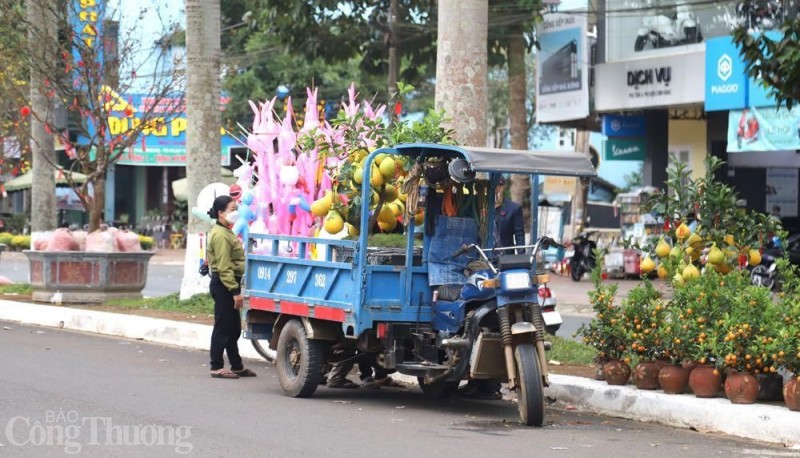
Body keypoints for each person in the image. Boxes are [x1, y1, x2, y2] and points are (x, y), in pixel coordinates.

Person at [206, 195, 256, 379]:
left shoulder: (226, 231)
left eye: (236, 208)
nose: (235, 212)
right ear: (220, 213)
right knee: (222, 327)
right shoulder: (220, 235)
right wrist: (235, 292)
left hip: (229, 283)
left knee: (233, 328)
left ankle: (236, 365)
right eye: (232, 209)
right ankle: (216, 366)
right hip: (224, 285)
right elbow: (224, 266)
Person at [494, 176, 525, 250]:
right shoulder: (482, 206)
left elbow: (519, 235)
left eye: (497, 186)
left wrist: (521, 257)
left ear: (503, 187)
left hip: (505, 257)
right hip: (484, 255)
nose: (495, 190)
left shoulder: (514, 208)